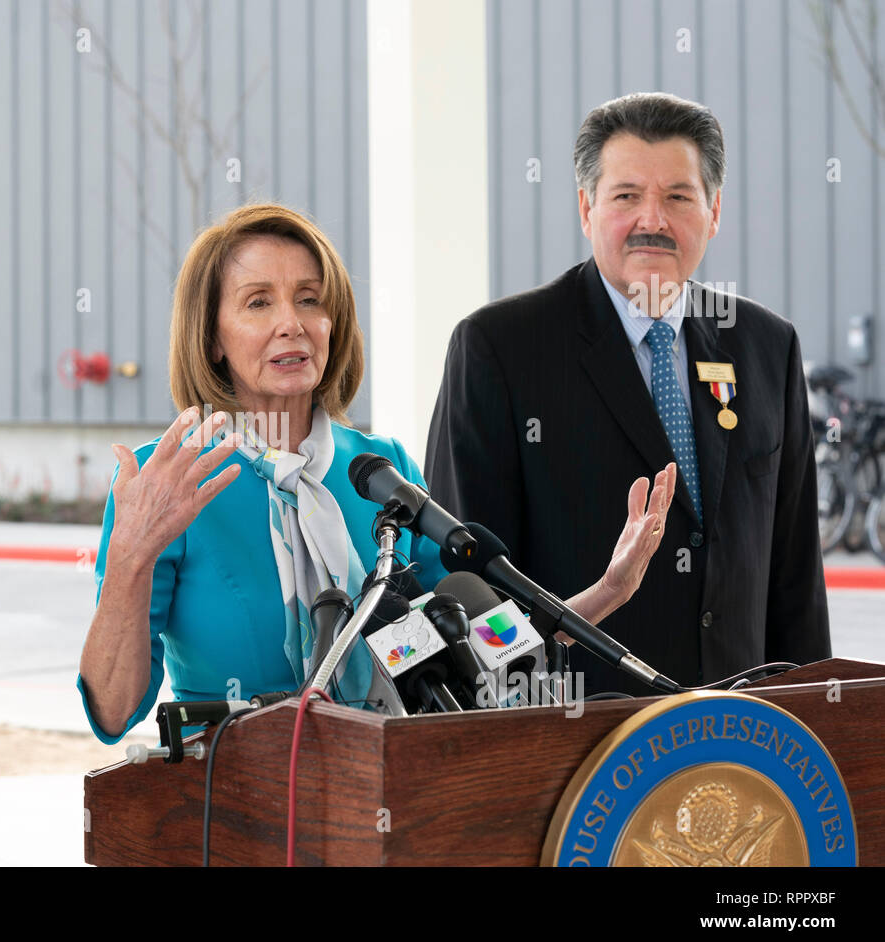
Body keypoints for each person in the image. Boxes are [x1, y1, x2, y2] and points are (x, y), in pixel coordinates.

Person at [77, 203, 676, 743]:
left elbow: (480, 641)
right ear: (211, 337)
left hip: (387, 791)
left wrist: (607, 593)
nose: (293, 322)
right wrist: (131, 555)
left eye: (310, 299)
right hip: (233, 809)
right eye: (259, 302)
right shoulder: (169, 483)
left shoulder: (379, 470)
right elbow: (112, 713)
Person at [425, 92, 831, 698]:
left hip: (740, 735)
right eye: (626, 196)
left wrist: (811, 723)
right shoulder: (501, 349)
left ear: (714, 211)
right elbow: (468, 587)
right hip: (575, 742)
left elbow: (795, 575)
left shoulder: (767, 346)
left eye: (677, 197)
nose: (653, 220)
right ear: (586, 208)